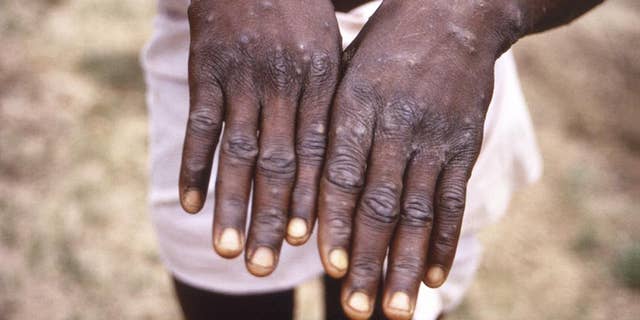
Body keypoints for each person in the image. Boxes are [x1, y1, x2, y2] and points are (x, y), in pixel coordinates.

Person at [141, 0, 603, 319]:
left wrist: (474, 17)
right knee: (226, 285)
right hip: (238, 53)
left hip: (436, 74)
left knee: (392, 292)